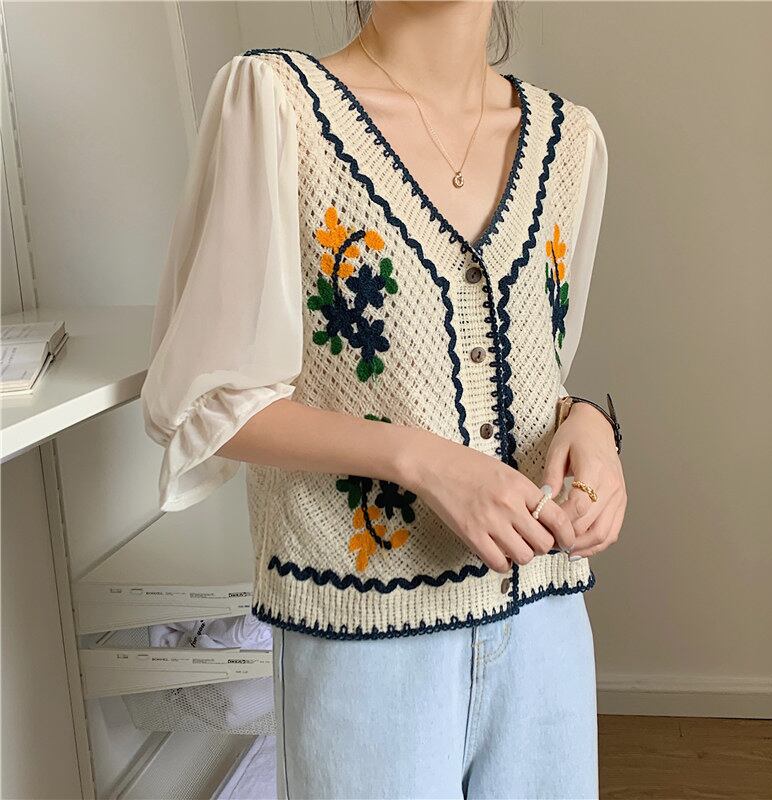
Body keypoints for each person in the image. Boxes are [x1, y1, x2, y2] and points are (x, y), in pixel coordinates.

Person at [141, 1, 626, 797]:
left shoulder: (570, 140)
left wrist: (593, 426)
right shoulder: (278, 107)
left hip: (546, 621)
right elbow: (209, 401)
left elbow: (525, 369)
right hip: (364, 636)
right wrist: (423, 461)